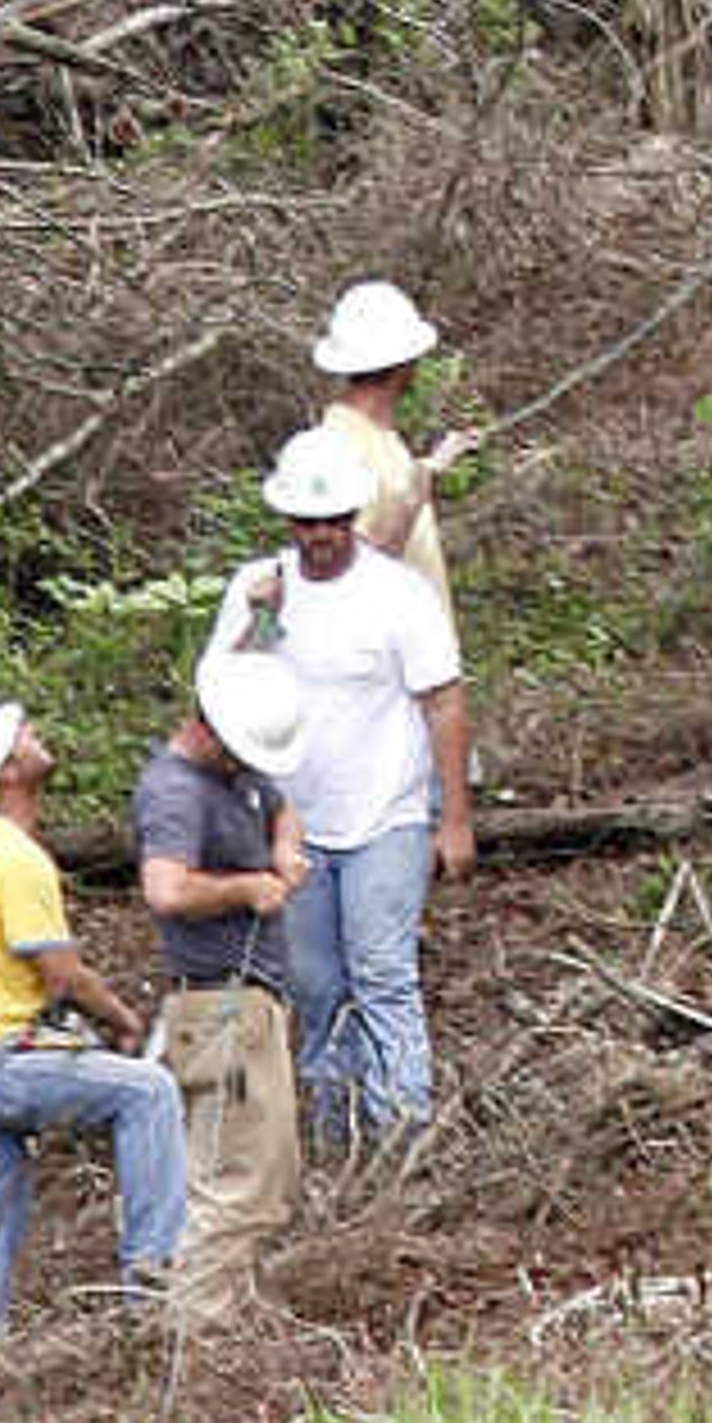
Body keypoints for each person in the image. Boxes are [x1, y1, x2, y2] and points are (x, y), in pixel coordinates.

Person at [221, 426, 476, 1164]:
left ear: (355, 517)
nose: (322, 536)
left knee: (384, 973)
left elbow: (444, 703)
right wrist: (262, 617)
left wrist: (452, 818)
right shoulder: (261, 589)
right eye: (307, 522)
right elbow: (230, 691)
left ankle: (406, 1140)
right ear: (287, 521)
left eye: (334, 521)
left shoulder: (398, 595)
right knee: (316, 987)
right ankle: (337, 1144)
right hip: (296, 824)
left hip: (388, 815)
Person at [0, 695, 186, 1371]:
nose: (35, 733)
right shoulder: (15, 858)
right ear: (5, 771)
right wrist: (125, 1022)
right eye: (22, 734)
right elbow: (62, 974)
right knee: (148, 1093)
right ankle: (152, 1298)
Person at [132, 630, 310, 1313]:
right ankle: (195, 1336)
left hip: (253, 1002)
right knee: (233, 1179)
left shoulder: (236, 777)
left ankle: (226, 1322)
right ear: (211, 726)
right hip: (213, 1008)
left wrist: (285, 853)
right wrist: (247, 888)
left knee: (268, 1177)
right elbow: (167, 890)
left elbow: (284, 807)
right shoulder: (176, 793)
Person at [301, 276, 474, 658]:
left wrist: (435, 463)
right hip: (385, 680)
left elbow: (389, 493)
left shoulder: (375, 436)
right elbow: (351, 569)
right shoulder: (340, 444)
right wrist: (415, 493)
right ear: (402, 366)